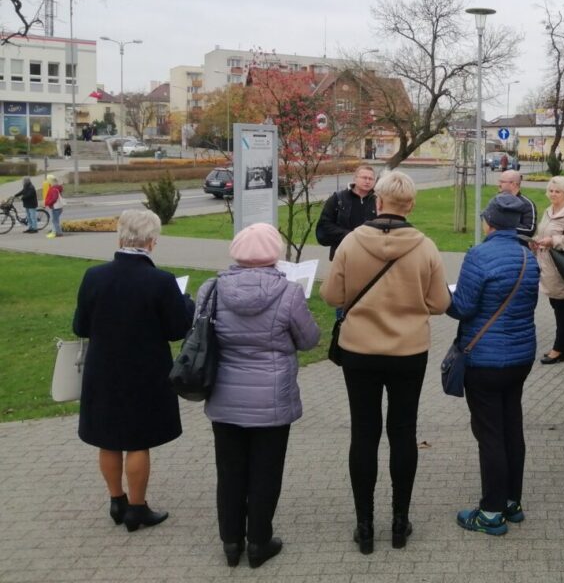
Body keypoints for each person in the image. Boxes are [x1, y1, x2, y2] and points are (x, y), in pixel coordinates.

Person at [319, 170, 451, 554]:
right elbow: (440, 303)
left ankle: (364, 525)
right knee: (403, 430)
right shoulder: (425, 246)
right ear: (410, 204)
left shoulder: (350, 243)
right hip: (408, 351)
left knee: (364, 432)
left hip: (359, 350)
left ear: (377, 201)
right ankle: (398, 521)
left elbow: (331, 295)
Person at [198, 223, 320, 568]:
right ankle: (259, 542)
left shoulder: (212, 290)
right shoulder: (289, 293)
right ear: (275, 255)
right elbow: (310, 340)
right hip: (272, 398)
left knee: (229, 470)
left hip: (224, 395)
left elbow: (201, 335)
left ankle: (231, 541)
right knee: (266, 472)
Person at [72, 209, 195, 533]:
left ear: (119, 237)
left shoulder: (93, 276)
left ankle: (117, 501)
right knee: (138, 440)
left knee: (108, 438)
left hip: (103, 368)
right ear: (152, 242)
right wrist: (186, 304)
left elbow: (80, 326)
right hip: (145, 370)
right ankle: (137, 510)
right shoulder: (162, 281)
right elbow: (176, 329)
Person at [447, 194, 541, 535]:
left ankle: (490, 512)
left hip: (484, 358)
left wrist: (446, 297)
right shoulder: (528, 258)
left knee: (489, 434)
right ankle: (512, 502)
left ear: (489, 222)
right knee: (511, 427)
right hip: (520, 356)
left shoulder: (478, 255)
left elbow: (463, 308)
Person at [531, 176, 564, 364]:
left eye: (558, 191)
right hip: (546, 265)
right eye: (551, 190)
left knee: (561, 309)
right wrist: (537, 241)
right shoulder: (549, 210)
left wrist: (553, 241)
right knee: (557, 306)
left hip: (560, 268)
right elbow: (544, 232)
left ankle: (560, 348)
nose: (553, 194)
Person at [315, 164, 378, 260]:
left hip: (370, 256)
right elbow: (325, 225)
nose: (367, 181)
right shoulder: (338, 199)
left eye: (371, 179)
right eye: (364, 178)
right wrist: (350, 235)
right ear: (355, 178)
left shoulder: (379, 201)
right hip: (342, 255)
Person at [498, 169, 537, 242]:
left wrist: (503, 225)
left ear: (513, 184)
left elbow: (529, 230)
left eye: (502, 182)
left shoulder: (527, 204)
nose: (499, 184)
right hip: (496, 245)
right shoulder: (497, 201)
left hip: (517, 248)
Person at [44, 173, 64, 238]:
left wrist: (48, 203)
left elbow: (54, 198)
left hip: (55, 207)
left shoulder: (54, 189)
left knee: (55, 221)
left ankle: (58, 233)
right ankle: (55, 231)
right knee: (55, 220)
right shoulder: (56, 187)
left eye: (48, 180)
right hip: (58, 207)